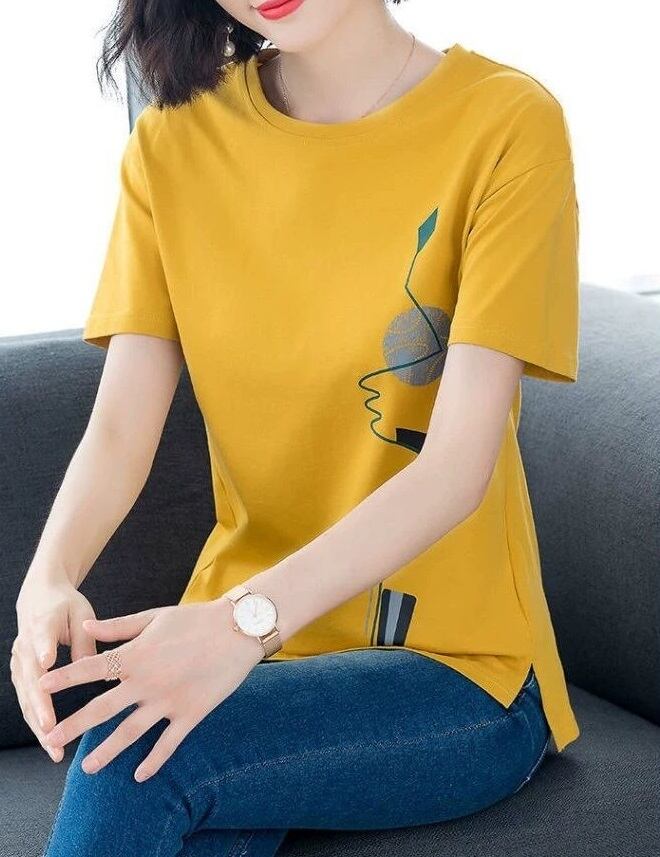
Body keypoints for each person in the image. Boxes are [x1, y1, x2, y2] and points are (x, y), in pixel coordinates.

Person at [10, 1, 581, 855]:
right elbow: (121, 428)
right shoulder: (173, 143)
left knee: (136, 755)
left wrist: (239, 624)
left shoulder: (505, 123)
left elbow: (454, 469)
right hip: (247, 651)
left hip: (458, 669)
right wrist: (47, 578)